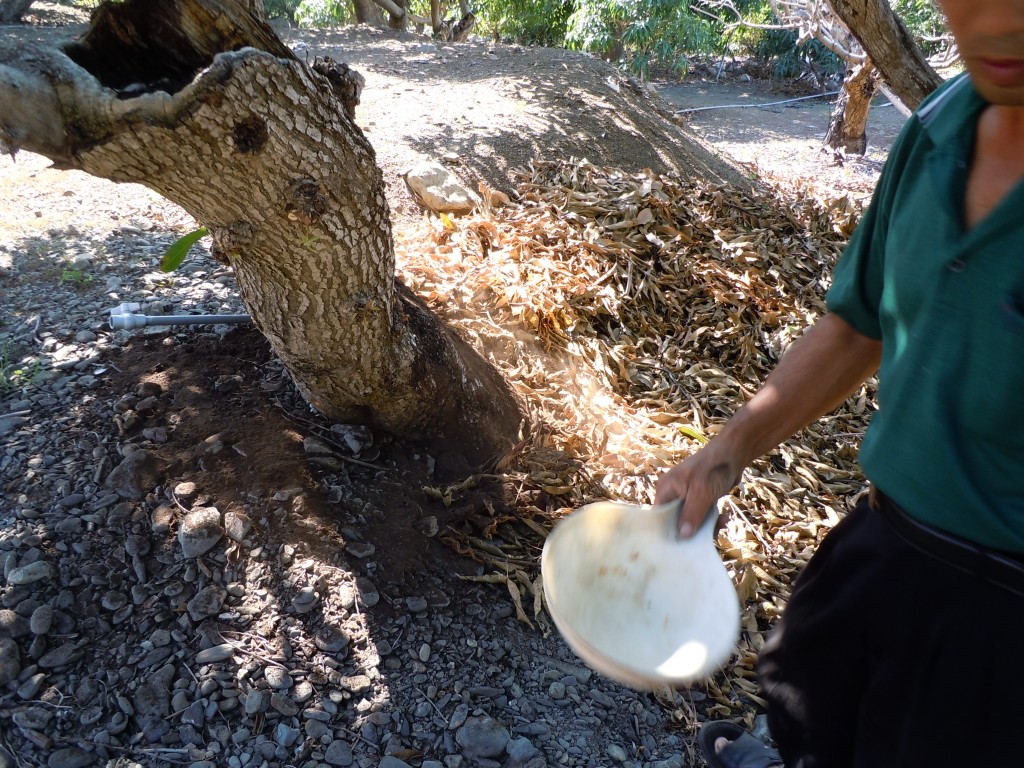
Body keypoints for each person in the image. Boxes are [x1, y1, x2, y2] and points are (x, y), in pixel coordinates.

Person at [653, 1, 1024, 766]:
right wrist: (727, 451)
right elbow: (862, 323)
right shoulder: (941, 127)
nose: (997, 23)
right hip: (885, 549)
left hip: (1004, 622)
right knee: (804, 725)